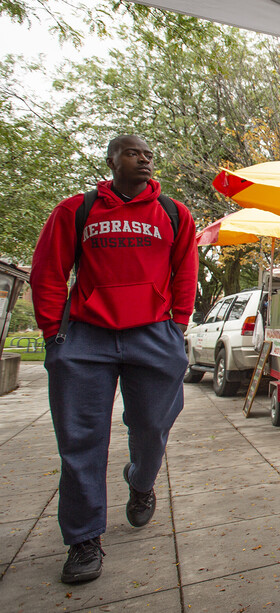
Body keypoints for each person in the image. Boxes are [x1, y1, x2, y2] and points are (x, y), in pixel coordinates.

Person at [29, 134, 197, 584]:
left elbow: (185, 272)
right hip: (86, 339)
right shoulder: (76, 210)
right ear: (111, 161)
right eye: (132, 153)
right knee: (81, 441)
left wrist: (176, 324)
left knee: (152, 426)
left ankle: (141, 483)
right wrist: (53, 336)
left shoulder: (175, 215)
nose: (143, 159)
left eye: (149, 153)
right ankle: (84, 540)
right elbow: (48, 271)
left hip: (152, 336)